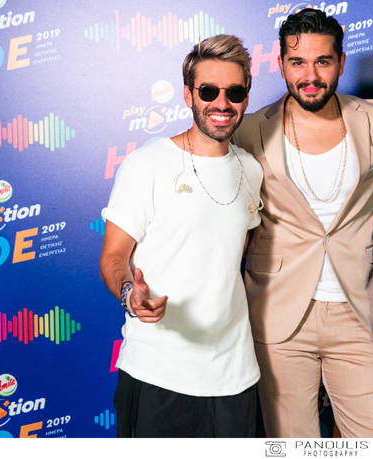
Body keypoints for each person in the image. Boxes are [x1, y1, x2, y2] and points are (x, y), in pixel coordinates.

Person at [233, 8, 373, 437]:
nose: (310, 75)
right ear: (280, 64)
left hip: (359, 309)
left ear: (341, 62)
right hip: (278, 313)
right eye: (298, 62)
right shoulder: (250, 131)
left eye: (323, 61)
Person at [98, 34, 263, 437]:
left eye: (234, 92)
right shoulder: (146, 165)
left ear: (245, 97)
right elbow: (113, 257)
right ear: (188, 94)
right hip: (158, 373)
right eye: (208, 91)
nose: (221, 103)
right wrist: (130, 295)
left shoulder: (251, 169)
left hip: (235, 376)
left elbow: (235, 254)